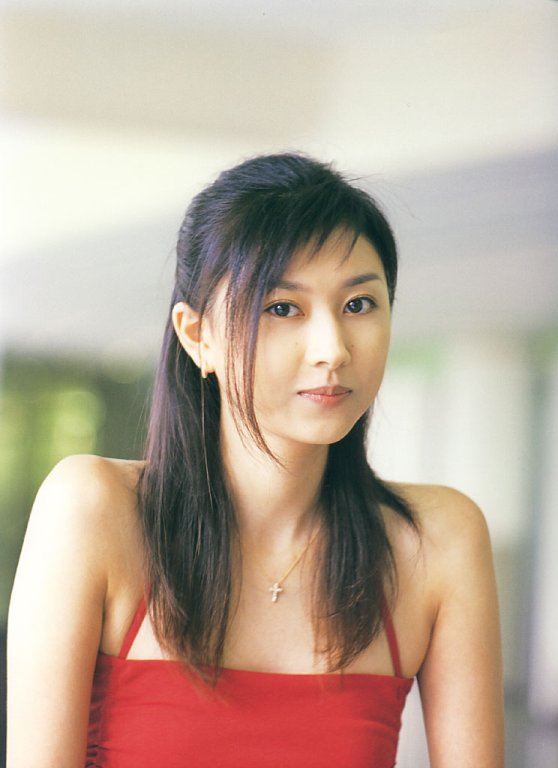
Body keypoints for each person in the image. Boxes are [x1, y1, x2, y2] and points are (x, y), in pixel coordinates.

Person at [7, 153, 504, 767]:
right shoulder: (95, 510)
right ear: (198, 336)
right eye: (282, 308)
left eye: (358, 305)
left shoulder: (436, 541)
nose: (332, 350)